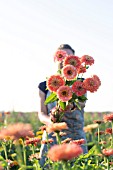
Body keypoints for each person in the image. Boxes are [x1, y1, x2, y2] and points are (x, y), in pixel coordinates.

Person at [37, 44, 88, 168]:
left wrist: (68, 103)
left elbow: (81, 103)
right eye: (61, 56)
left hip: (76, 135)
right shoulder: (45, 85)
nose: (65, 60)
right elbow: (41, 113)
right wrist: (51, 122)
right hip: (53, 135)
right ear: (55, 59)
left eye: (69, 57)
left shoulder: (81, 83)